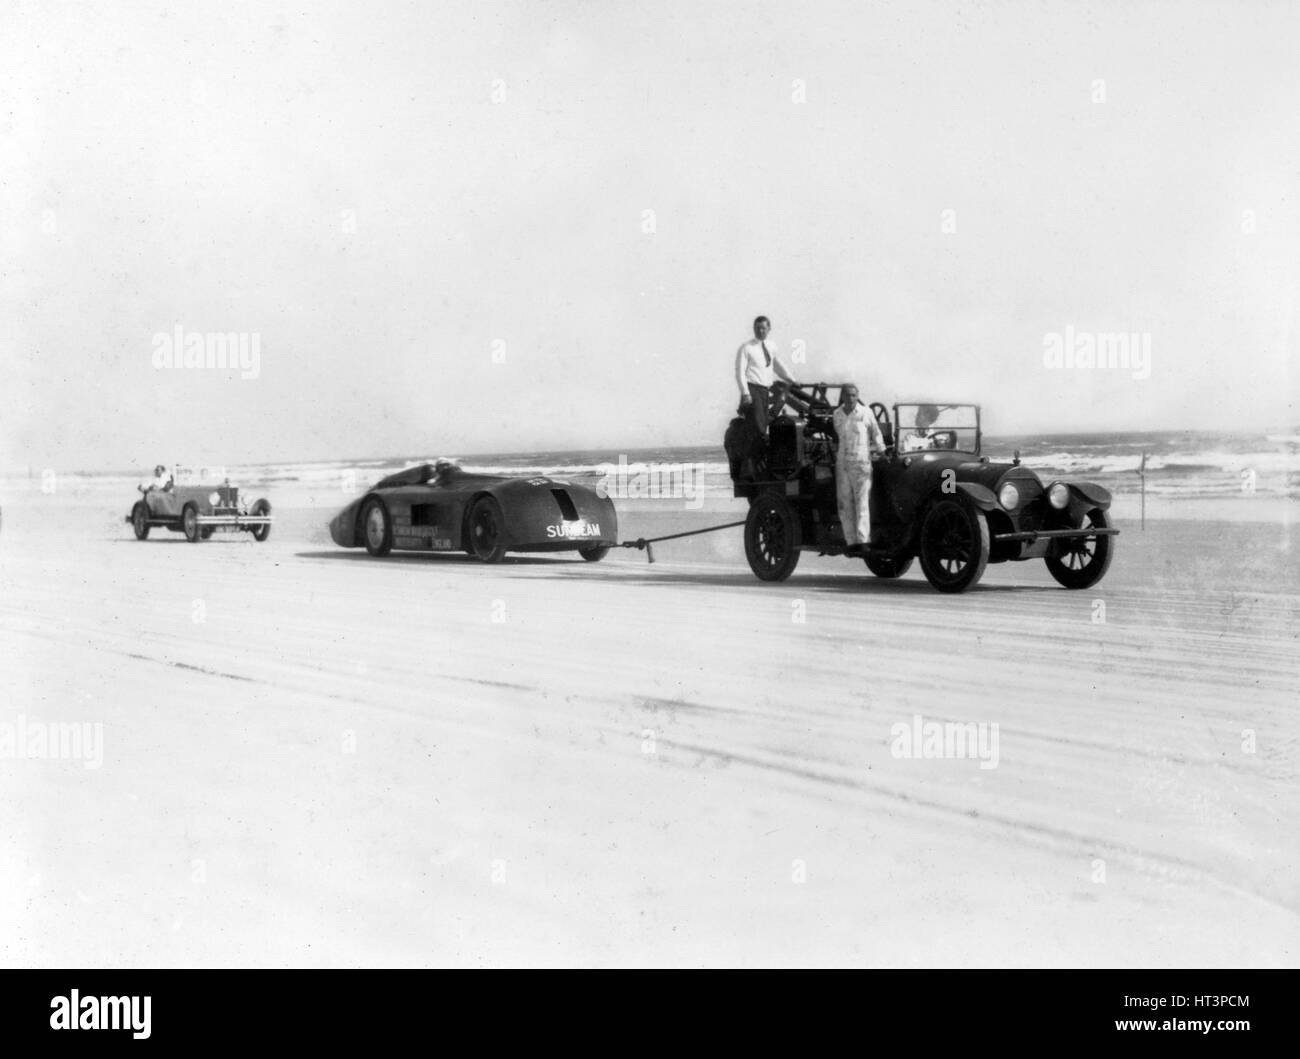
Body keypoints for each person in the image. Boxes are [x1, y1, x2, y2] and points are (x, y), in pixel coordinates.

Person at [832, 384, 886, 555]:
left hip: (861, 461)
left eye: (854, 395)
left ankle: (863, 541)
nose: (851, 398)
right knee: (844, 503)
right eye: (848, 395)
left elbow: (876, 433)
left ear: (858, 396)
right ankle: (851, 542)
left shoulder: (866, 413)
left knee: (862, 502)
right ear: (842, 396)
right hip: (843, 463)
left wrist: (881, 450)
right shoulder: (837, 414)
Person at [735, 315, 796, 437]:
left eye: (763, 328)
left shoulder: (771, 346)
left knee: (765, 422)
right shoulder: (746, 348)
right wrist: (745, 393)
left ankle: (760, 450)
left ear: (769, 329)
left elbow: (778, 365)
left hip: (765, 390)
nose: (760, 331)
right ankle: (755, 453)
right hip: (752, 389)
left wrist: (792, 379)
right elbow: (740, 372)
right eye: (757, 328)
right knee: (757, 425)